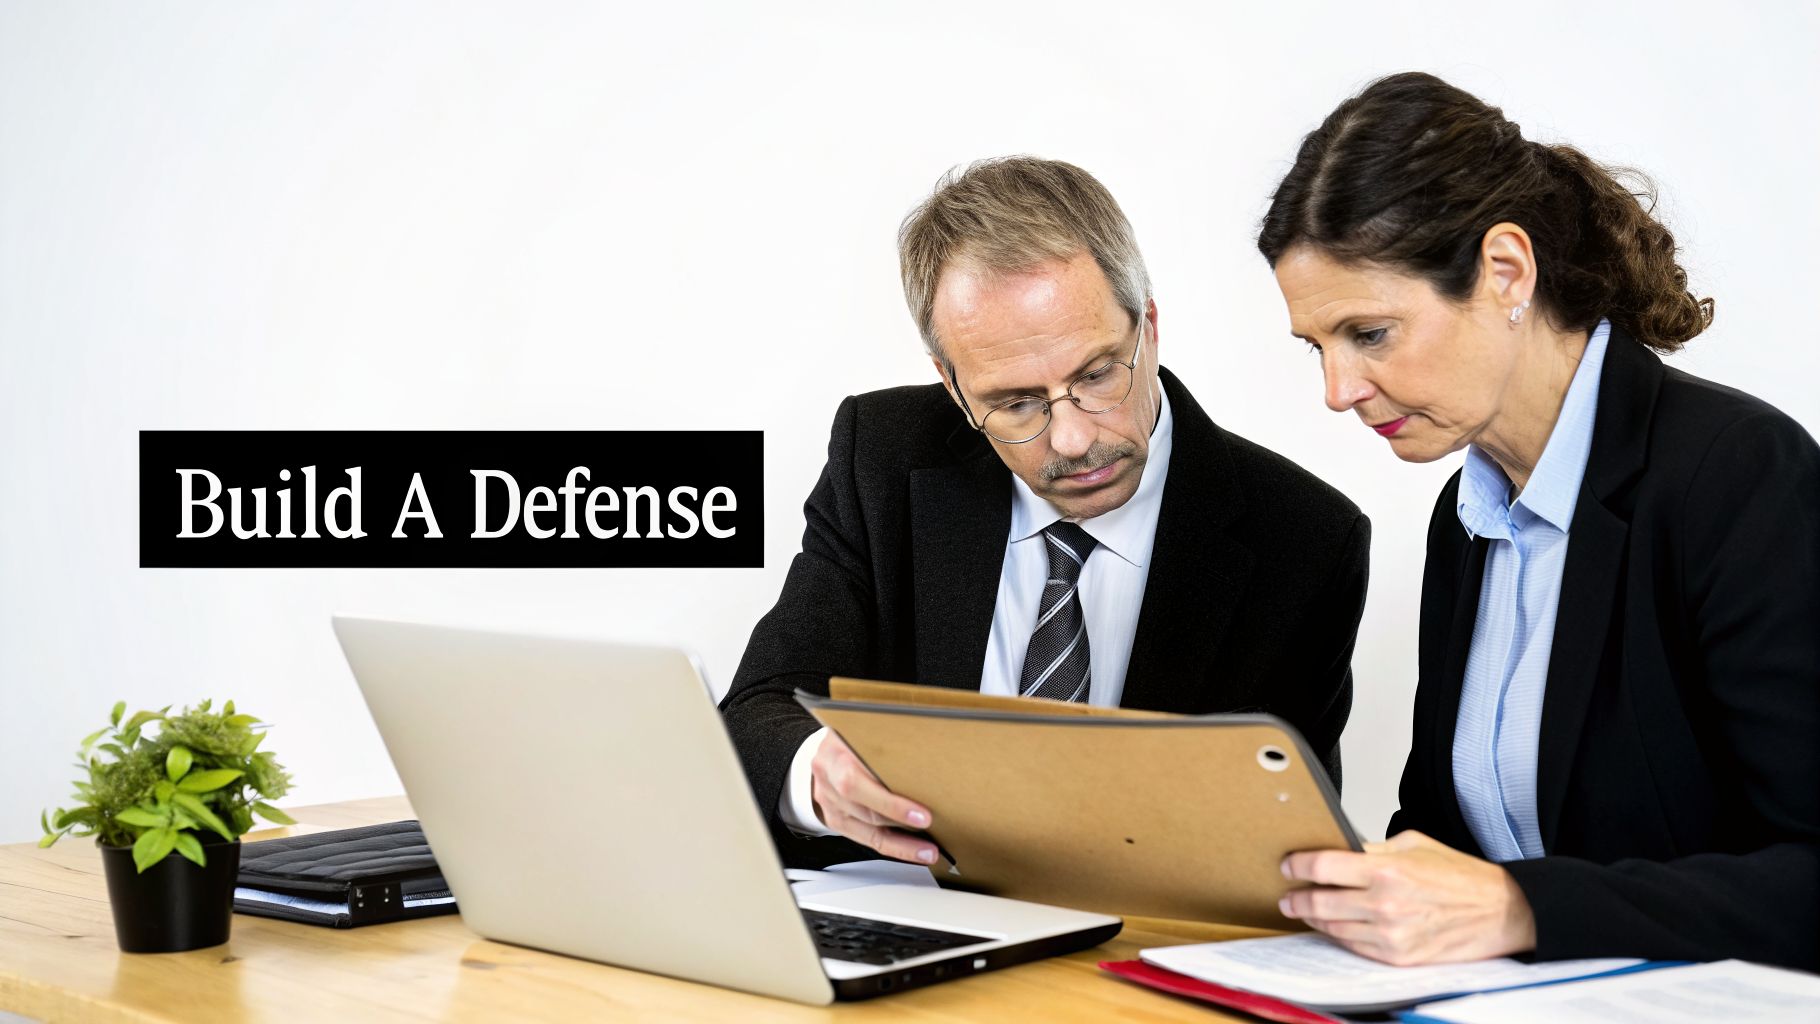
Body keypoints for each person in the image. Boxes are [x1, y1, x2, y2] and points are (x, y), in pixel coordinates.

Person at [1259, 72, 1820, 971]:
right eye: (1316, 347)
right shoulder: (1468, 515)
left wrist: (1524, 908)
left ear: (1506, 271)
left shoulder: (1737, 475)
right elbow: (1441, 842)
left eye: (1368, 334)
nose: (1337, 392)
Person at [721, 157, 1370, 869]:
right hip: (917, 930)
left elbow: (1280, 846)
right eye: (1015, 403)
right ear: (954, 386)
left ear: (1148, 328)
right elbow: (757, 712)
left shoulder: (1305, 539)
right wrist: (818, 772)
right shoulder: (882, 459)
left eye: (1096, 376)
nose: (1073, 438)